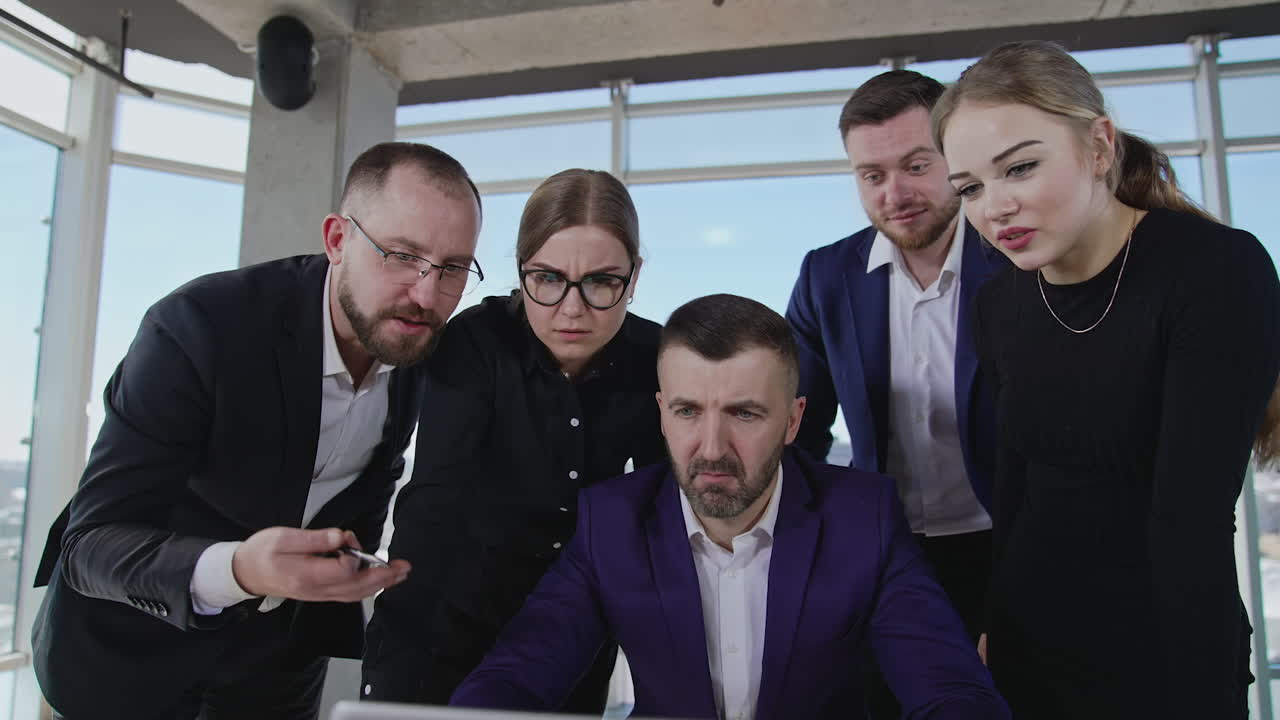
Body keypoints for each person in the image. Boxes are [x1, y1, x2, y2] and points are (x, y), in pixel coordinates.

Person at [31, 141, 484, 720]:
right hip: (126, 662)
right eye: (400, 255)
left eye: (451, 268)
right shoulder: (198, 327)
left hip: (273, 680)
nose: (426, 294)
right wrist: (240, 568)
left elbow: (364, 487)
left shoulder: (416, 346)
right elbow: (89, 545)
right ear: (338, 240)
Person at [450, 293, 1010, 720]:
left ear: (793, 420)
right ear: (661, 412)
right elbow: (517, 674)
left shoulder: (865, 519)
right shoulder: (611, 523)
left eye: (744, 414)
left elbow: (948, 687)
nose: (712, 449)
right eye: (689, 411)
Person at [933, 40, 1280, 719]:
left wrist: (1200, 696)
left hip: (1164, 652)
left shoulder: (1213, 272)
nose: (993, 207)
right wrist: (998, 631)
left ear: (1098, 147)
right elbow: (1016, 489)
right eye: (970, 187)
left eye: (1021, 168)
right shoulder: (997, 304)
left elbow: (1192, 522)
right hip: (1031, 650)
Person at [362, 169, 665, 711]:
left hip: (574, 632)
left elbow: (659, 516)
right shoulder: (474, 343)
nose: (572, 309)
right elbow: (435, 508)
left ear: (634, 276)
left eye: (601, 282)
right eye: (547, 279)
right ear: (521, 269)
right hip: (444, 624)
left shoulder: (657, 359)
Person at [785, 70, 1004, 716]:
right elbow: (801, 428)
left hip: (1008, 546)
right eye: (871, 175)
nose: (896, 193)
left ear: (952, 159)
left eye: (915, 165)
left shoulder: (1014, 259)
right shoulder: (828, 277)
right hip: (889, 552)